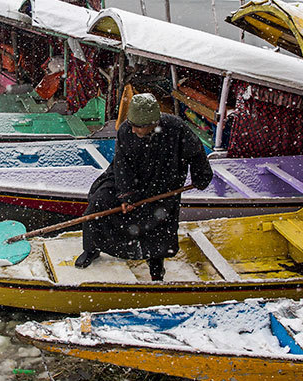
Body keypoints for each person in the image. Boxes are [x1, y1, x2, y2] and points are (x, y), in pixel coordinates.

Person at [74, 93, 213, 281]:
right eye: (132, 125)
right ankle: (92, 247)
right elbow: (122, 165)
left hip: (163, 182)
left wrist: (201, 176)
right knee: (99, 202)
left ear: (153, 123)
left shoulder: (175, 127)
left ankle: (157, 267)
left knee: (159, 220)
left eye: (139, 127)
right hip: (125, 179)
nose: (133, 130)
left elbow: (196, 152)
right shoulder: (126, 131)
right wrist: (126, 196)